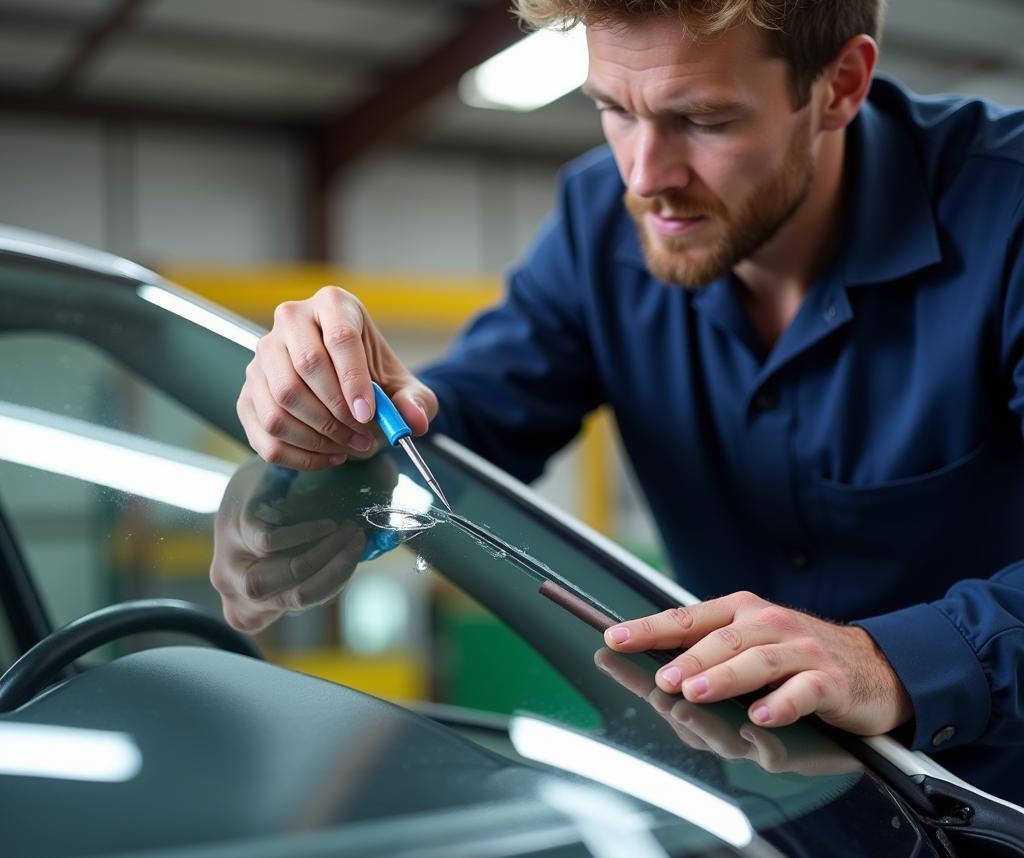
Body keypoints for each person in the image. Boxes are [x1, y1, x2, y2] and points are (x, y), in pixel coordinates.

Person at [233, 1, 1024, 803]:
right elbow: (473, 422)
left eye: (704, 119)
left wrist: (888, 660)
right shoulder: (595, 224)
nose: (645, 178)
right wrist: (338, 408)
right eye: (614, 109)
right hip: (745, 819)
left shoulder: (1009, 215)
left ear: (840, 86)